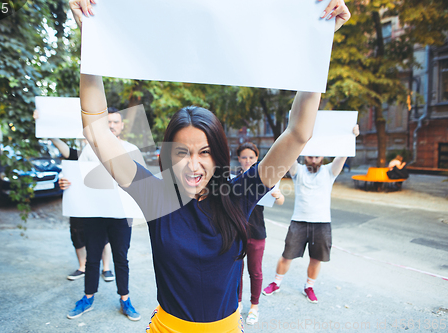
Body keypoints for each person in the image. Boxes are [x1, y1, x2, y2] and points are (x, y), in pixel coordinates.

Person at [70, 0, 350, 331]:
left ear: (218, 155)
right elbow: (96, 130)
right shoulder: (155, 195)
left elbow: (299, 133)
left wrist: (318, 44)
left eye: (204, 152)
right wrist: (92, 40)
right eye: (181, 152)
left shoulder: (240, 193)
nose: (193, 164)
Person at [55, 108, 146, 321]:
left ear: (122, 125)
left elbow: (142, 180)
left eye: (115, 122)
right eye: (108, 123)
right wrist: (65, 182)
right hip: (94, 214)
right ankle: (87, 298)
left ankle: (125, 299)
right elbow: (75, 177)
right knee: (92, 258)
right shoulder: (89, 150)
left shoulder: (131, 149)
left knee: (121, 258)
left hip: (122, 215)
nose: (112, 126)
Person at [262, 125, 359, 304]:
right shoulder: (297, 171)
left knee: (316, 258)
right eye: (310, 156)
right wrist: (292, 130)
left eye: (316, 156)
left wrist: (351, 135)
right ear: (304, 156)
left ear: (322, 157)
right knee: (287, 255)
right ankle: (276, 283)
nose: (313, 160)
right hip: (298, 222)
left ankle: (309, 287)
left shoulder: (330, 171)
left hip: (322, 224)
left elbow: (344, 153)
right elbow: (289, 151)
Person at [33, 110, 112, 282]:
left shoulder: (106, 155)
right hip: (78, 204)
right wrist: (44, 123)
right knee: (77, 234)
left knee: (104, 236)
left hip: (100, 204)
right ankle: (82, 266)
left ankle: (106, 268)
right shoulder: (77, 155)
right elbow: (61, 147)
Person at [236, 142, 285, 325]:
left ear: (257, 159)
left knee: (255, 272)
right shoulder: (234, 179)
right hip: (236, 233)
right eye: (244, 157)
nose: (247, 160)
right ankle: (238, 303)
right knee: (236, 270)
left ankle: (254, 307)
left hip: (256, 232)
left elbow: (280, 201)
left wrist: (278, 195)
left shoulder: (264, 178)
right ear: (238, 159)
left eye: (251, 157)